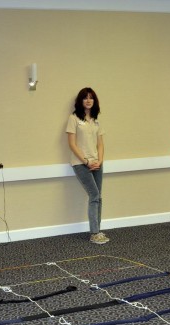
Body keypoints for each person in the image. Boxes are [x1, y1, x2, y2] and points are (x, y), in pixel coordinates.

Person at [66, 87, 109, 244]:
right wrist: (87, 161)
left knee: (99, 196)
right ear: (80, 101)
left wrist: (99, 160)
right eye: (85, 98)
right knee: (94, 195)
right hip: (81, 163)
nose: (88, 100)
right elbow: (72, 144)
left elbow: (101, 144)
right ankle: (94, 233)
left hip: (97, 163)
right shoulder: (73, 118)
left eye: (91, 97)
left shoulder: (96, 120)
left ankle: (97, 230)